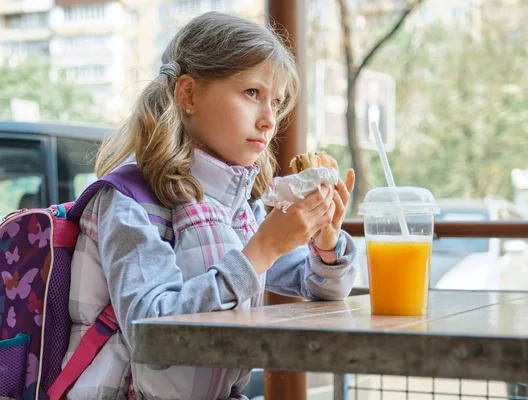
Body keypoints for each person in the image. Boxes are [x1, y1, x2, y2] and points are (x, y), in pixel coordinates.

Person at [64, 11, 358, 400]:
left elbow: (319, 287)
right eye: (252, 93)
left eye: (278, 101)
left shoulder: (238, 205)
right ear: (188, 95)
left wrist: (326, 243)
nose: (270, 119)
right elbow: (151, 329)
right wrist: (261, 252)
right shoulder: (130, 198)